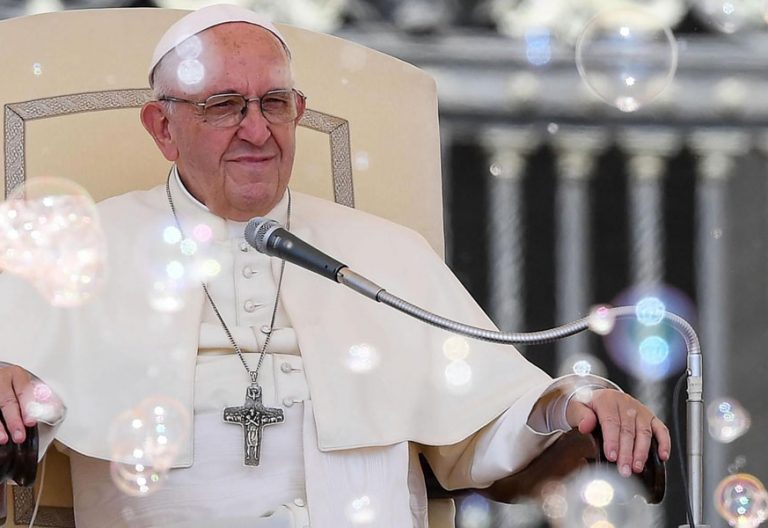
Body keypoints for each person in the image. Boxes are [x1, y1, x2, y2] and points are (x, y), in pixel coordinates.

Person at [0, 4, 670, 527]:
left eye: (275, 103)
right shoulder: (80, 250)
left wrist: (577, 401)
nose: (257, 130)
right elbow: (16, 390)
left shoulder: (384, 251)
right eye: (224, 104)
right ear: (162, 127)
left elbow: (485, 417)